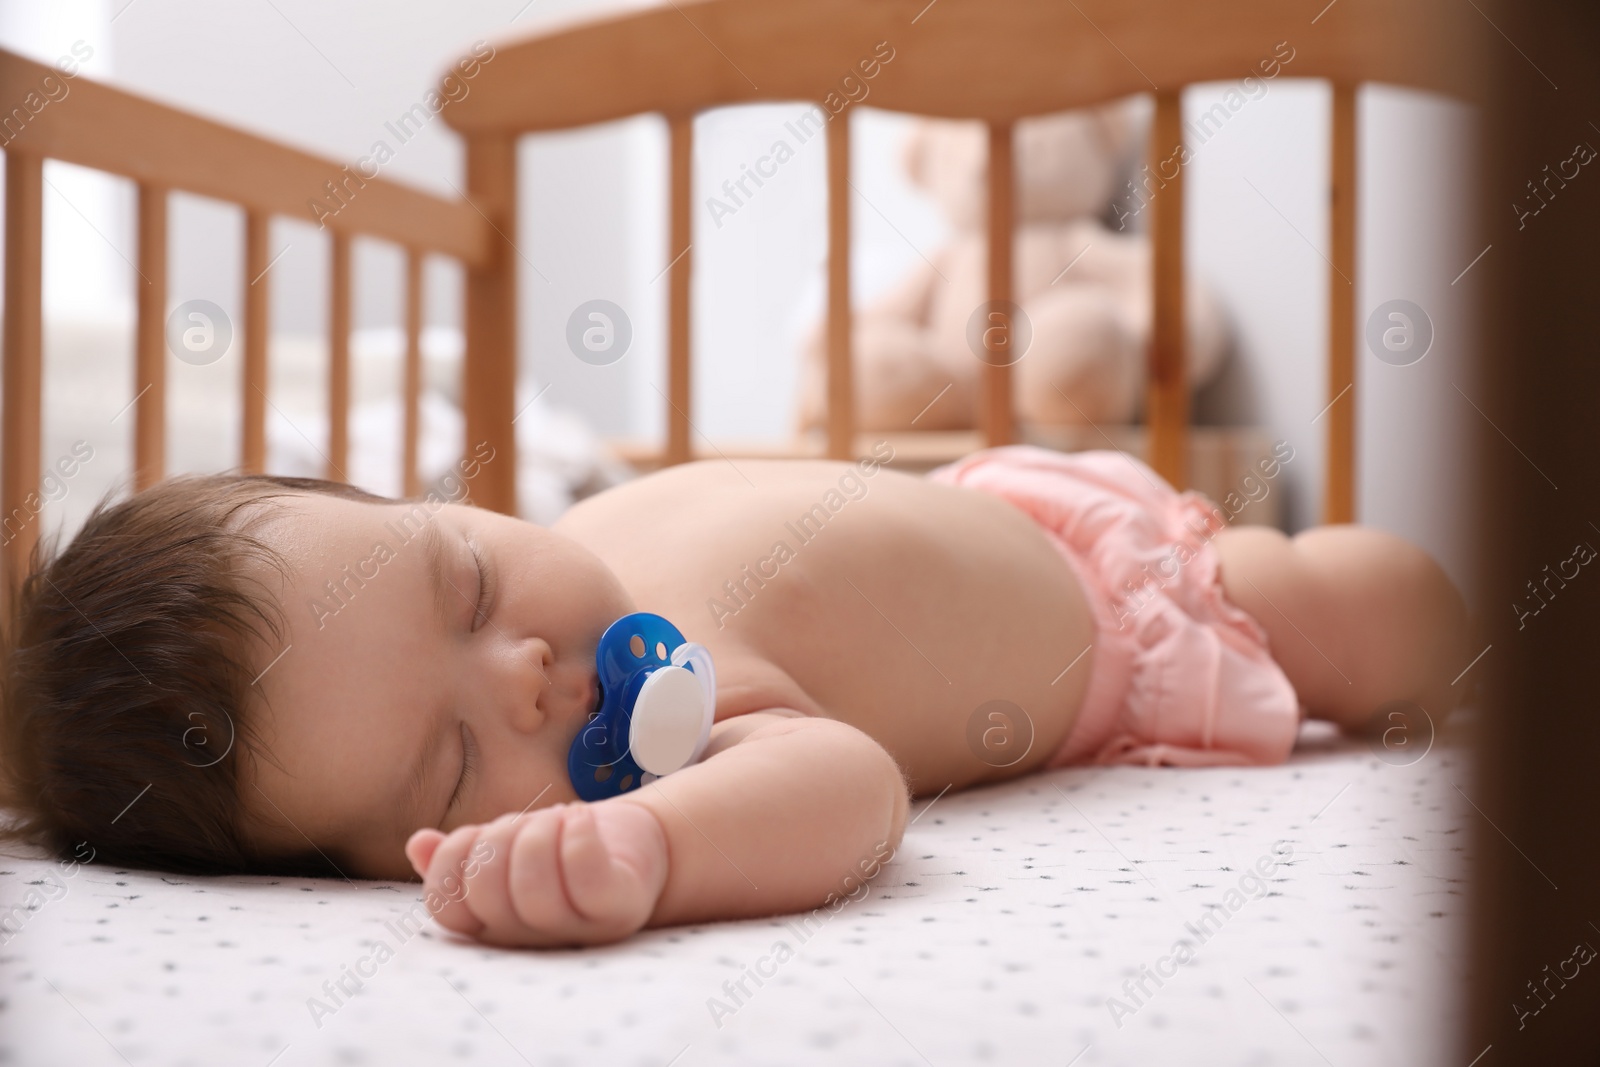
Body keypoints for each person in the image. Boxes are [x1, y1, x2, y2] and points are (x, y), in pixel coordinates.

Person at [0, 444, 1468, 948]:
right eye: (451, 770)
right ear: (355, 873)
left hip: (1120, 588)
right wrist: (644, 837)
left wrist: (660, 848)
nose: (524, 673)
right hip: (1037, 607)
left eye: (468, 584)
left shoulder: (669, 645)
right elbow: (832, 773)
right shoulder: (650, 725)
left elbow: (855, 790)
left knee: (1382, 610)